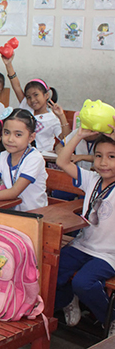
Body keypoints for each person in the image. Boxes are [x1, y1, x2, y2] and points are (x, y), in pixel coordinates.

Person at [55, 126, 115, 335]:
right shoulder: (92, 179)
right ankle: (67, 301)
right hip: (82, 245)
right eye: (98, 156)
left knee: (83, 282)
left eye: (111, 156)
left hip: (108, 255)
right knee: (52, 267)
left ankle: (110, 318)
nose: (103, 162)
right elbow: (62, 161)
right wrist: (78, 135)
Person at [2, 53, 70, 151]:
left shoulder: (52, 119)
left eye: (36, 95)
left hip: (43, 156)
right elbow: (16, 86)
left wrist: (61, 116)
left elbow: (65, 138)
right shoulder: (26, 106)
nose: (32, 100)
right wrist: (8, 65)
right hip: (22, 153)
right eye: (28, 97)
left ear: (46, 95)